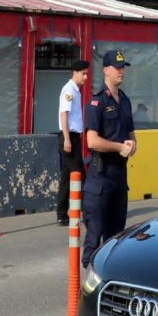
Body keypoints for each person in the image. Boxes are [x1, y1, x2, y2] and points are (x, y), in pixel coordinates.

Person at [82, 50, 137, 269]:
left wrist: (132, 146)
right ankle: (85, 291)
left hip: (119, 178)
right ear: (106, 70)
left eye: (123, 67)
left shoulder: (125, 101)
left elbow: (131, 133)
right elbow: (92, 141)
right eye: (117, 67)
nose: (121, 71)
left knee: (116, 240)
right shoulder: (97, 102)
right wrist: (118, 147)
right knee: (94, 240)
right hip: (100, 178)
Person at [56, 59, 88, 226]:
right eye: (83, 74)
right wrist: (67, 138)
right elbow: (64, 114)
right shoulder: (69, 90)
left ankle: (62, 214)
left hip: (73, 137)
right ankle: (87, 211)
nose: (85, 77)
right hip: (69, 137)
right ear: (75, 73)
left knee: (67, 178)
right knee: (79, 175)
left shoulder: (75, 90)